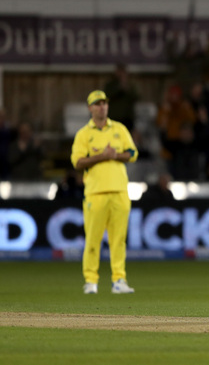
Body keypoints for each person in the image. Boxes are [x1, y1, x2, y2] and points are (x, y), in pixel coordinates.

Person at [71, 90, 138, 294]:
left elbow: (133, 153)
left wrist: (115, 154)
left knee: (118, 239)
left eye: (104, 103)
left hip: (119, 191)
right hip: (96, 193)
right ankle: (91, 281)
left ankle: (119, 279)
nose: (102, 107)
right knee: (93, 238)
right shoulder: (84, 134)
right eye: (98, 104)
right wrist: (102, 156)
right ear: (90, 108)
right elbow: (77, 162)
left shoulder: (119, 129)